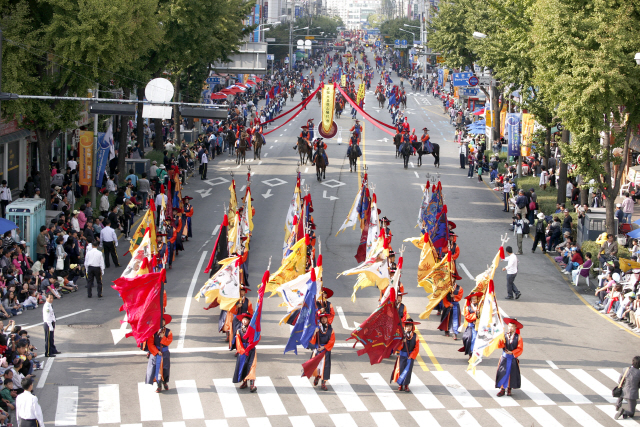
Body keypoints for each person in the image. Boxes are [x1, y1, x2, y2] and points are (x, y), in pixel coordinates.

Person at [145, 314, 173, 393]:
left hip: (165, 353)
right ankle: (159, 386)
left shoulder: (168, 331)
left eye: (163, 321)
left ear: (165, 322)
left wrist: (163, 337)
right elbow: (150, 344)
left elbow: (169, 341)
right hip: (156, 354)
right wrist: (157, 352)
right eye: (160, 321)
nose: (162, 322)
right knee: (157, 370)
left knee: (165, 369)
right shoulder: (153, 332)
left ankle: (165, 383)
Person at [496, 318, 524, 397]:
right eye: (509, 326)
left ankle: (509, 389)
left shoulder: (518, 337)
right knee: (502, 373)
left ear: (515, 328)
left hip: (512, 358)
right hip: (504, 358)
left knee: (511, 374)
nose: (510, 328)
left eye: (512, 327)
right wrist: (500, 342)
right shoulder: (504, 335)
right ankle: (502, 389)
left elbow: (520, 348)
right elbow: (500, 345)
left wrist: (512, 352)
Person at [391, 317, 420, 392]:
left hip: (411, 355)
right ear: (405, 326)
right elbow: (398, 347)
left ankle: (406, 385)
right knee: (401, 369)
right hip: (402, 355)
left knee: (408, 370)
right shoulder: (401, 334)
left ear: (412, 327)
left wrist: (412, 355)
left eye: (410, 326)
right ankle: (400, 385)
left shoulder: (415, 336)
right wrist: (402, 342)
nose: (408, 327)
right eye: (407, 326)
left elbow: (417, 348)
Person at [308, 313, 335, 391]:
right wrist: (314, 333)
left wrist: (324, 347)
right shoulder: (317, 328)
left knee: (325, 367)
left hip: (325, 350)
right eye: (322, 318)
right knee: (317, 366)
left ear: (327, 319)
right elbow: (312, 340)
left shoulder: (331, 329)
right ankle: (317, 377)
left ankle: (323, 383)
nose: (323, 320)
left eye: (325, 318)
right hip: (317, 349)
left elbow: (332, 340)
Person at [233, 313, 257, 392]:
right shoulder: (239, 330)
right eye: (243, 319)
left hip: (251, 350)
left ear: (249, 321)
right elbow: (238, 341)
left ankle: (252, 385)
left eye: (246, 320)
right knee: (243, 366)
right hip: (242, 350)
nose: (244, 321)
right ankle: (244, 382)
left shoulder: (253, 330)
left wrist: (250, 346)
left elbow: (256, 338)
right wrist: (243, 351)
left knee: (251, 366)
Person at [460, 292, 481, 358]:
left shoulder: (480, 307)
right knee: (468, 339)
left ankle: (476, 353)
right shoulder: (467, 308)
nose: (474, 300)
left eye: (475, 298)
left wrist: (478, 321)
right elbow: (467, 317)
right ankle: (470, 353)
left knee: (478, 340)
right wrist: (475, 315)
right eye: (473, 299)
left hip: (479, 326)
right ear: (470, 300)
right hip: (471, 326)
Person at [43, 293, 58, 357]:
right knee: (48, 339)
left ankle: (53, 350)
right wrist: (50, 326)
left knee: (51, 338)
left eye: (52, 298)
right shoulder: (47, 306)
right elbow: (47, 317)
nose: (51, 299)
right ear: (46, 298)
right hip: (48, 323)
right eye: (50, 298)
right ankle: (48, 353)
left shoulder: (50, 305)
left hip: (51, 322)